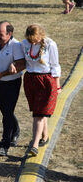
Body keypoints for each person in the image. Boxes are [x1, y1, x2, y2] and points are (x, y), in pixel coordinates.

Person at [13, 24, 61, 156]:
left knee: (39, 114)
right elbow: (21, 60)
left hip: (45, 81)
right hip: (30, 80)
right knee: (38, 111)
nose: (32, 42)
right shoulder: (24, 44)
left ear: (41, 35)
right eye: (30, 40)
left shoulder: (50, 44)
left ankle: (34, 144)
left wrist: (57, 86)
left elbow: (55, 66)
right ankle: (45, 137)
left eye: (34, 39)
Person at [0, 21, 25, 156]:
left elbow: (21, 64)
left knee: (7, 113)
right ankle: (16, 129)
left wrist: (6, 71)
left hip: (12, 83)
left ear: (9, 34)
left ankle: (4, 144)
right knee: (6, 111)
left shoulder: (16, 46)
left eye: (0, 35)